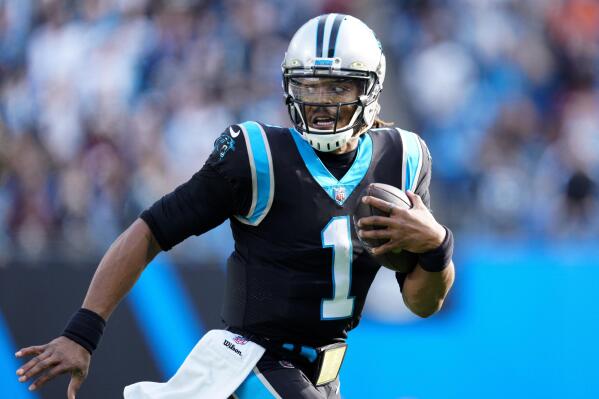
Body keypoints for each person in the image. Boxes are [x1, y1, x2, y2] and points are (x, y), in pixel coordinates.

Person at [15, 14, 455, 399]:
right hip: (249, 362)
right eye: (310, 85)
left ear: (371, 88)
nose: (321, 101)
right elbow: (151, 230)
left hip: (323, 376)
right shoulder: (256, 154)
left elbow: (422, 303)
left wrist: (437, 247)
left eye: (338, 86)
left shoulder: (404, 159)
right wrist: (83, 331)